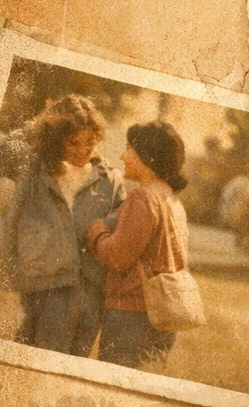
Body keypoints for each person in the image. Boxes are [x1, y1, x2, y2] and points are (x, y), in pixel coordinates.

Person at [0, 95, 125, 357]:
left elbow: (122, 213)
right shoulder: (36, 168)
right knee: (38, 353)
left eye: (90, 142)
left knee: (76, 359)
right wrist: (37, 129)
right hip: (47, 282)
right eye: (73, 142)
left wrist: (101, 226)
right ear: (55, 140)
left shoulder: (109, 177)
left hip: (90, 285)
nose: (83, 149)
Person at [83, 122, 193, 369]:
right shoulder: (171, 199)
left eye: (128, 149)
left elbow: (117, 257)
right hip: (165, 315)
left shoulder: (142, 197)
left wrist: (96, 232)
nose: (122, 156)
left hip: (131, 316)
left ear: (147, 157)